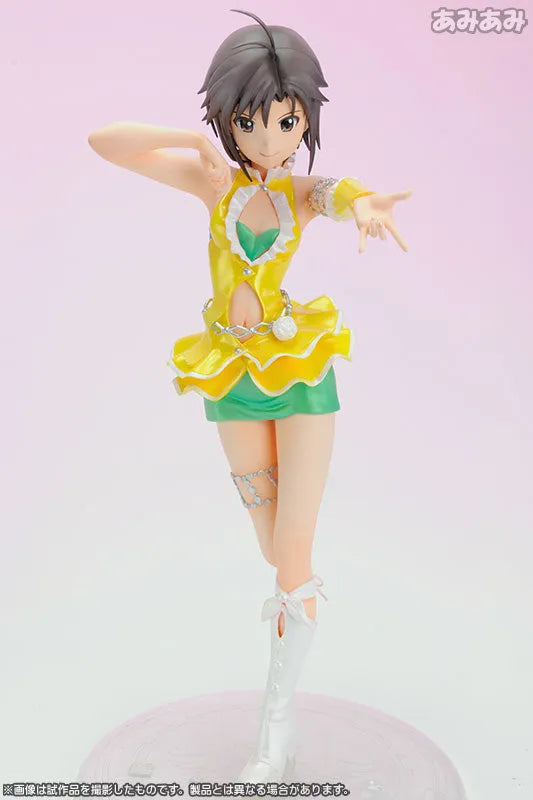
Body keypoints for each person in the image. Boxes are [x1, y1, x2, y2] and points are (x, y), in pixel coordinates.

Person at [88, 8, 412, 782]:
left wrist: (365, 206)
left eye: (286, 123)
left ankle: (275, 729)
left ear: (305, 120)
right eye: (251, 122)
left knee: (291, 553)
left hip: (300, 374)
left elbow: (343, 194)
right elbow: (104, 142)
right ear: (230, 118)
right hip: (231, 379)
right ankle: (280, 706)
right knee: (272, 548)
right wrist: (190, 139)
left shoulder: (300, 194)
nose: (270, 141)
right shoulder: (212, 183)